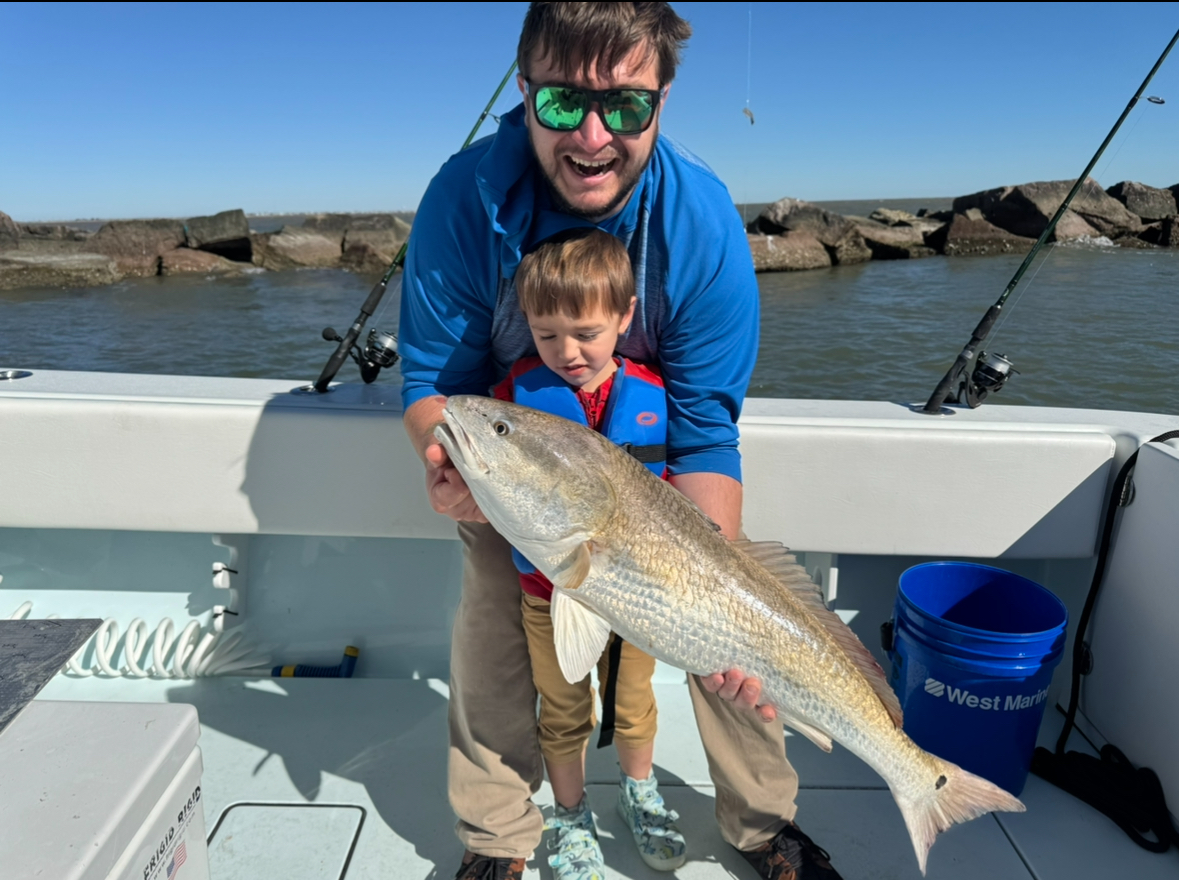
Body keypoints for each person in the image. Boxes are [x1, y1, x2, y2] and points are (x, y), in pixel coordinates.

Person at [399, 4, 842, 880]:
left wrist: (708, 604)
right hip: (519, 479)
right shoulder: (463, 198)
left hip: (653, 486)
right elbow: (434, 389)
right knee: (487, 619)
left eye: (626, 106)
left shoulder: (700, 221)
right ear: (524, 93)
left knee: (733, 612)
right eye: (563, 102)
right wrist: (444, 465)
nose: (593, 136)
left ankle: (762, 822)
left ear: (662, 100)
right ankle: (497, 833)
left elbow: (705, 434)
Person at [495, 227, 686, 880]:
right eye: (545, 334)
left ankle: (639, 792)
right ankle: (571, 815)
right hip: (549, 595)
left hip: (637, 596)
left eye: (585, 333)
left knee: (634, 705)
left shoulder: (655, 393)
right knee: (563, 711)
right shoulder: (513, 400)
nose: (566, 352)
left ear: (625, 317)